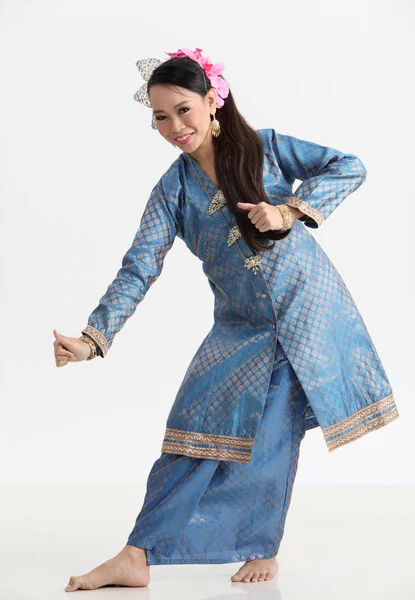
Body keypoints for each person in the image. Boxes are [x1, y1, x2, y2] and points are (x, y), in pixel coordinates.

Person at [53, 47, 399, 592]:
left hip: (307, 312)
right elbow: (139, 267)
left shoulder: (268, 149)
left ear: (213, 100)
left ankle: (251, 546)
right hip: (243, 325)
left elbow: (350, 166)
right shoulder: (173, 190)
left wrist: (287, 210)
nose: (173, 127)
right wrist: (94, 338)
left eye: (183, 110)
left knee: (272, 435)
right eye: (160, 117)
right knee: (194, 429)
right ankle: (137, 553)